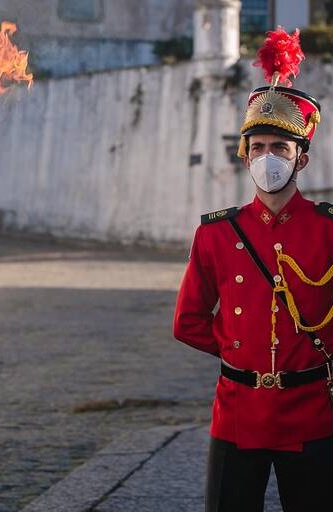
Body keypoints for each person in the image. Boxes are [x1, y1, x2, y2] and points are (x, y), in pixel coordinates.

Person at [173, 29, 333, 511]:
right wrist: (241, 349)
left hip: (312, 413)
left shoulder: (329, 231)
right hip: (238, 412)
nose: (268, 158)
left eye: (280, 149)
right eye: (258, 146)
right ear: (245, 155)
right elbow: (187, 322)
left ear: (300, 158)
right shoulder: (216, 234)